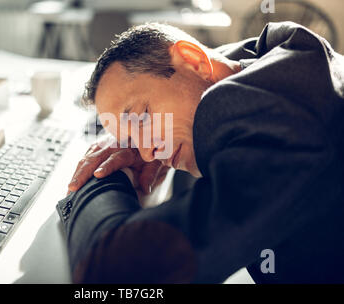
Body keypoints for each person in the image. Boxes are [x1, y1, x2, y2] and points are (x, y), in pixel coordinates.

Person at [57, 21, 344, 283]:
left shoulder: (281, 122)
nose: (147, 154)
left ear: (194, 61)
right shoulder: (281, 65)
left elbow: (110, 271)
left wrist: (95, 181)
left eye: (142, 116)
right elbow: (212, 64)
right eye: (130, 139)